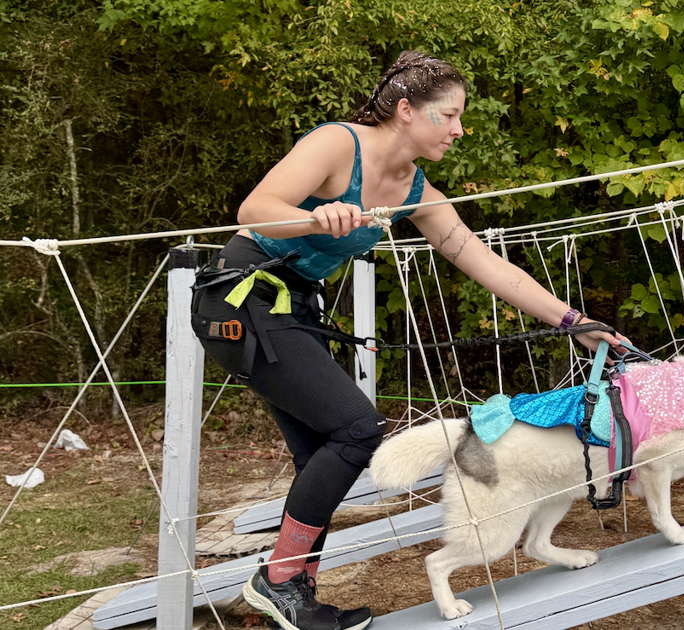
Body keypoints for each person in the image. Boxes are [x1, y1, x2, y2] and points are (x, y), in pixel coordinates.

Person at [190, 51, 624, 630]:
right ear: (405, 110)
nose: (459, 129)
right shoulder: (337, 145)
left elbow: (490, 267)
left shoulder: (416, 191)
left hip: (293, 305)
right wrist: (318, 218)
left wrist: (575, 323)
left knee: (317, 453)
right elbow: (255, 210)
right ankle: (279, 580)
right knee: (357, 430)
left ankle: (293, 593)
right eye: (449, 115)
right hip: (243, 297)